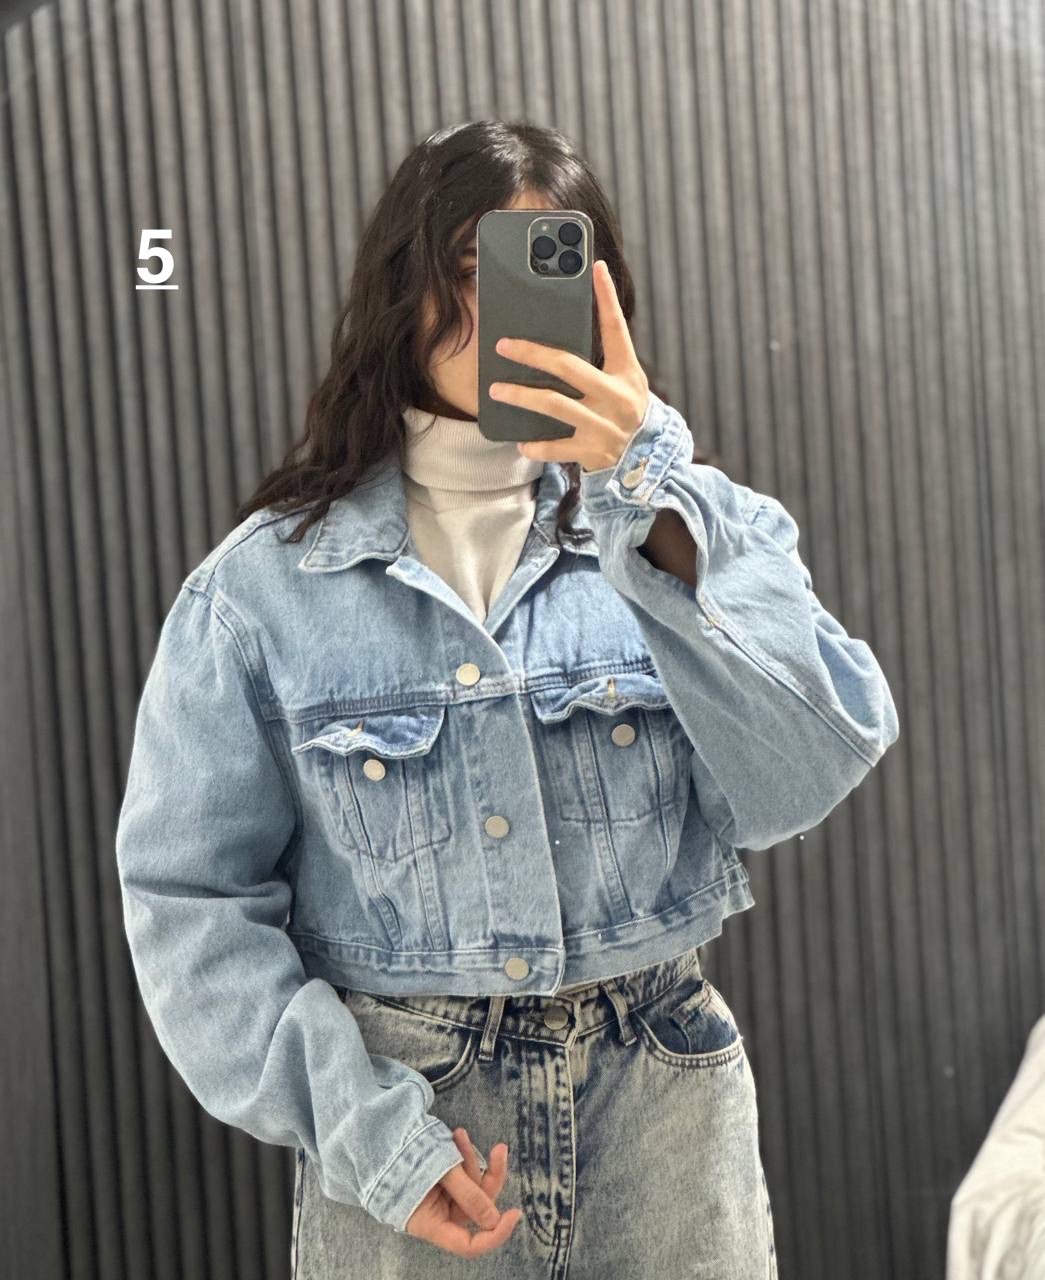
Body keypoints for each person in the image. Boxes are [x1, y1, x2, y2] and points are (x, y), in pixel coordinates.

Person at [115, 119, 900, 1277]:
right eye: (471, 270)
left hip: (664, 1116)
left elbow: (805, 770)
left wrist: (647, 477)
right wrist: (370, 1134)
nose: (503, 317)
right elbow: (191, 902)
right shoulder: (261, 590)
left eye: (548, 272)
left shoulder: (684, 529)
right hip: (418, 1124)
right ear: (405, 292)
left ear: (602, 302)